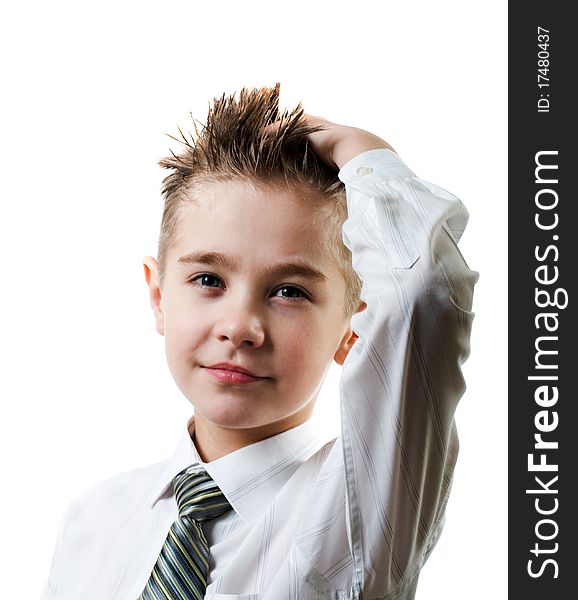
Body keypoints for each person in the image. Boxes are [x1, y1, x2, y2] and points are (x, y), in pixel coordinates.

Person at [41, 83, 478, 599]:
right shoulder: (93, 522)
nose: (240, 326)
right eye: (208, 280)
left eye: (289, 291)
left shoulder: (354, 510)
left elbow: (421, 292)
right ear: (158, 296)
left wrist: (362, 154)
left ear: (352, 329)